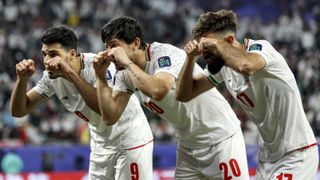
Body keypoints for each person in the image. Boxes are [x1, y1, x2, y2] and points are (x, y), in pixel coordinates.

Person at [93, 16, 250, 179]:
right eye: (107, 47)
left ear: (136, 43)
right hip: (188, 146)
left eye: (114, 46)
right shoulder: (124, 73)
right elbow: (110, 116)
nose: (109, 53)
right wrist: (100, 76)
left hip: (220, 137)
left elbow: (159, 90)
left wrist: (126, 62)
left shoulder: (164, 54)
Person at [176, 10, 319, 179]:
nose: (205, 54)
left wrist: (217, 45)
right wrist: (190, 59)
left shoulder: (261, 49)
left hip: (296, 152)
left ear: (229, 40)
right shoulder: (222, 67)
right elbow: (184, 94)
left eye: (209, 47)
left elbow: (246, 65)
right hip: (267, 158)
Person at [9, 26, 154, 180]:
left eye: (53, 54)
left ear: (72, 54)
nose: (46, 61)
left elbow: (105, 110)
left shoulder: (99, 65)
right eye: (44, 54)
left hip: (131, 139)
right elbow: (19, 111)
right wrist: (22, 80)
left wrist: (69, 73)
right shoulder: (51, 78)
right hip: (101, 145)